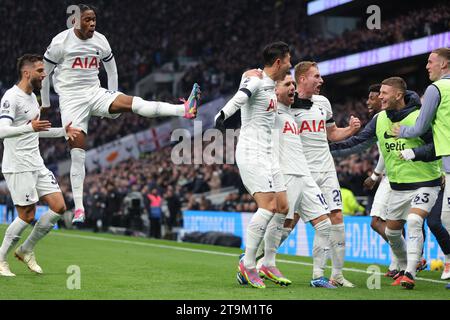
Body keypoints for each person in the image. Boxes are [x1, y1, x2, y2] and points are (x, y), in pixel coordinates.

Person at [41, 4, 201, 224]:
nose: (92, 24)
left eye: (94, 19)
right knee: (78, 152)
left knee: (134, 102)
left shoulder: (101, 40)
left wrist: (113, 94)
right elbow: (44, 74)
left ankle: (184, 109)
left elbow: (111, 69)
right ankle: (79, 207)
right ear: (75, 21)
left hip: (95, 92)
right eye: (87, 20)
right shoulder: (60, 42)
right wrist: (46, 104)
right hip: (71, 99)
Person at [331, 77, 441, 289]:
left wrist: (415, 152)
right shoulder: (380, 119)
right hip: (397, 186)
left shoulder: (420, 116)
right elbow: (358, 142)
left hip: (426, 182)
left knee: (415, 221)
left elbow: (437, 147)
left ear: (398, 95)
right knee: (391, 232)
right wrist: (325, 149)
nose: (379, 96)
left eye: (383, 93)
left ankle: (409, 272)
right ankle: (404, 264)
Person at [215, 41, 292, 289]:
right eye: (289, 60)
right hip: (252, 152)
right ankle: (248, 265)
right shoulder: (257, 81)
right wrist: (222, 116)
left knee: (282, 206)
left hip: (270, 155)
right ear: (279, 62)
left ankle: (268, 262)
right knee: (268, 206)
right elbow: (240, 97)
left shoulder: (269, 84)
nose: (290, 64)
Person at [0, 54, 81, 276]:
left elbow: (39, 129)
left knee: (59, 207)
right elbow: (2, 131)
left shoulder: (33, 98)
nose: (44, 75)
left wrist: (62, 132)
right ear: (27, 73)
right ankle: (1, 258)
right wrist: (30, 128)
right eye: (40, 71)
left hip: (36, 163)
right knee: (27, 215)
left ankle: (26, 249)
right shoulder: (11, 97)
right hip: (18, 165)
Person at [261, 72, 336, 288]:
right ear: (275, 90)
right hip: (287, 175)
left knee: (324, 225)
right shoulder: (271, 113)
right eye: (287, 84)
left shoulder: (291, 114)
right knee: (281, 224)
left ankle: (318, 276)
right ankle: (254, 264)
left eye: (294, 83)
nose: (292, 87)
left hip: (305, 175)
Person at [291, 61, 360, 287]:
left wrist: (349, 130)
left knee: (336, 218)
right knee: (289, 221)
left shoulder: (323, 103)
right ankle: (257, 261)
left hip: (327, 169)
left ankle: (336, 275)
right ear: (302, 79)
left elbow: (331, 133)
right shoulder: (287, 105)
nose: (321, 80)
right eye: (316, 76)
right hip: (303, 172)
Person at [393, 48, 450, 282]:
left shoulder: (436, 89)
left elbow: (420, 127)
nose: (427, 66)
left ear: (444, 65)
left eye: (430, 62)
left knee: (445, 218)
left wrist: (401, 131)